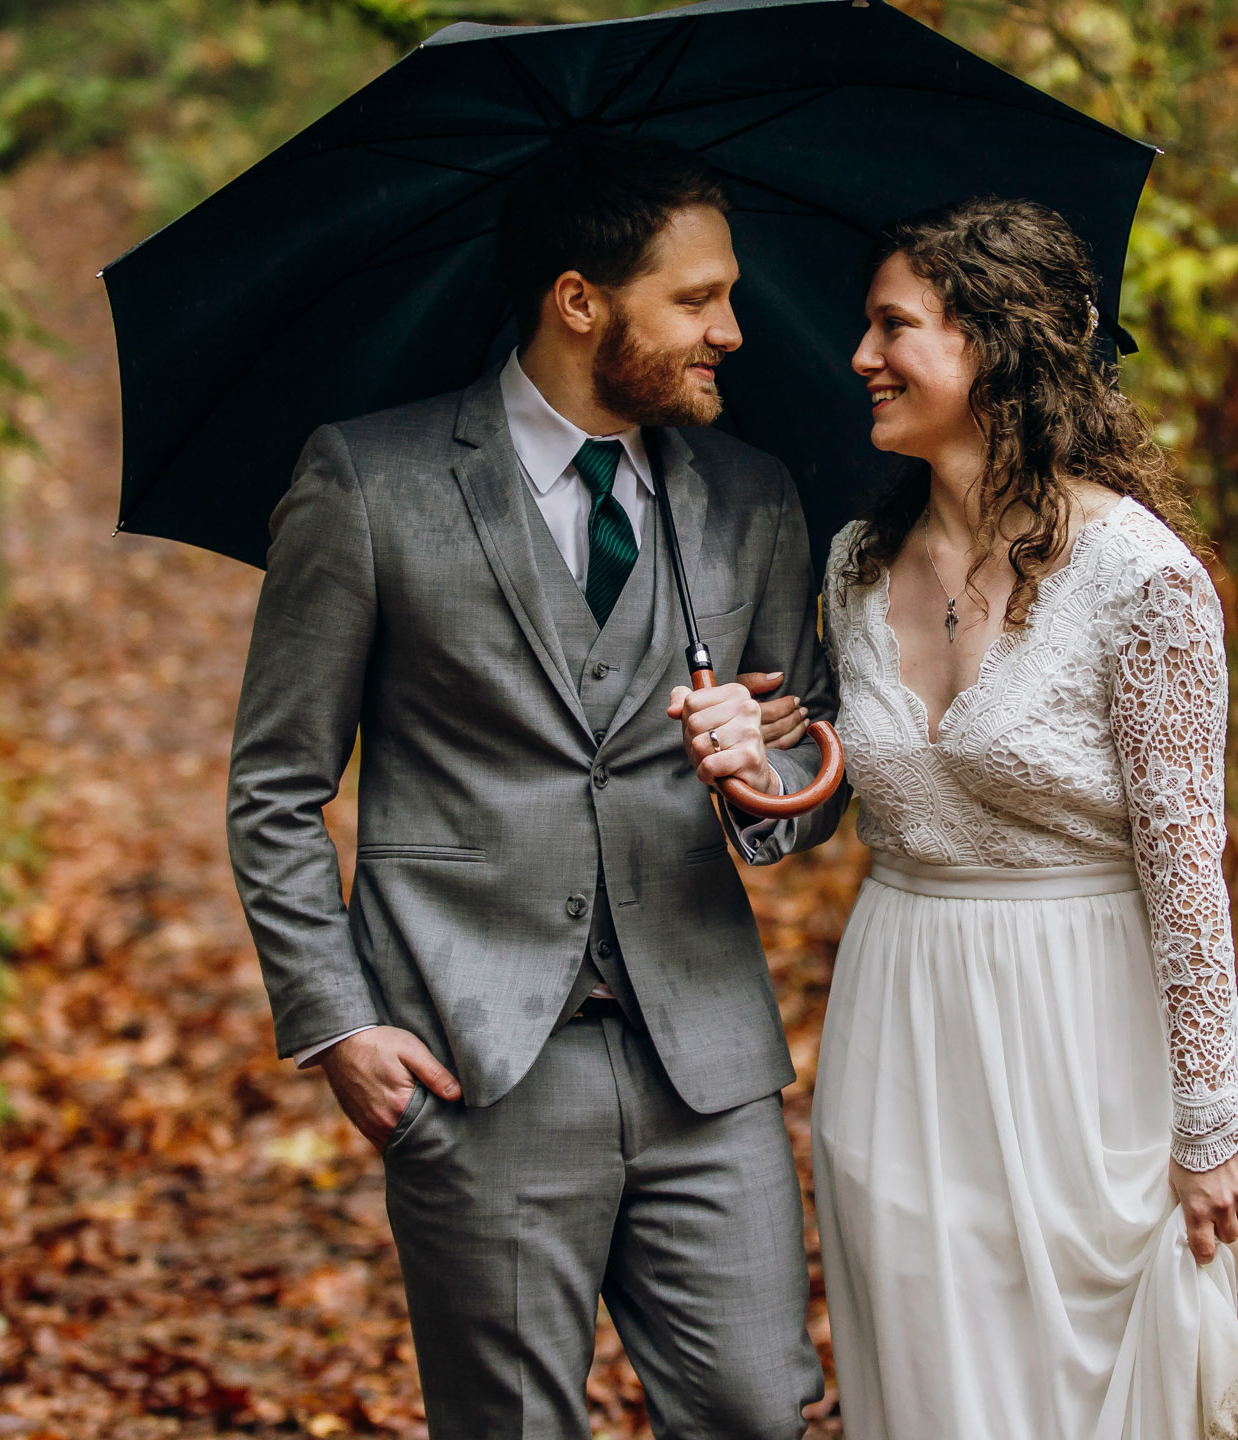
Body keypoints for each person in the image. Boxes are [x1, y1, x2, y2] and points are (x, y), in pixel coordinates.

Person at [225, 132, 844, 1440]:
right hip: (475, 1062)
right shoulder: (369, 481)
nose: (732, 329)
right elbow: (277, 784)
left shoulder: (751, 496)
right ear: (579, 301)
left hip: (706, 1061)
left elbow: (811, 760)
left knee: (756, 1410)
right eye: (697, 299)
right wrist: (337, 1023)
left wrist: (765, 772)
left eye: (728, 294)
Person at [808, 197, 1238, 1440]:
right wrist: (761, 758)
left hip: (1090, 1042)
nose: (861, 356)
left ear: (994, 346)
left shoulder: (1141, 580)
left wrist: (1209, 1117)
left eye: (894, 327)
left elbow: (1189, 869)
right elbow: (861, 782)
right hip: (900, 1033)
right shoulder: (856, 566)